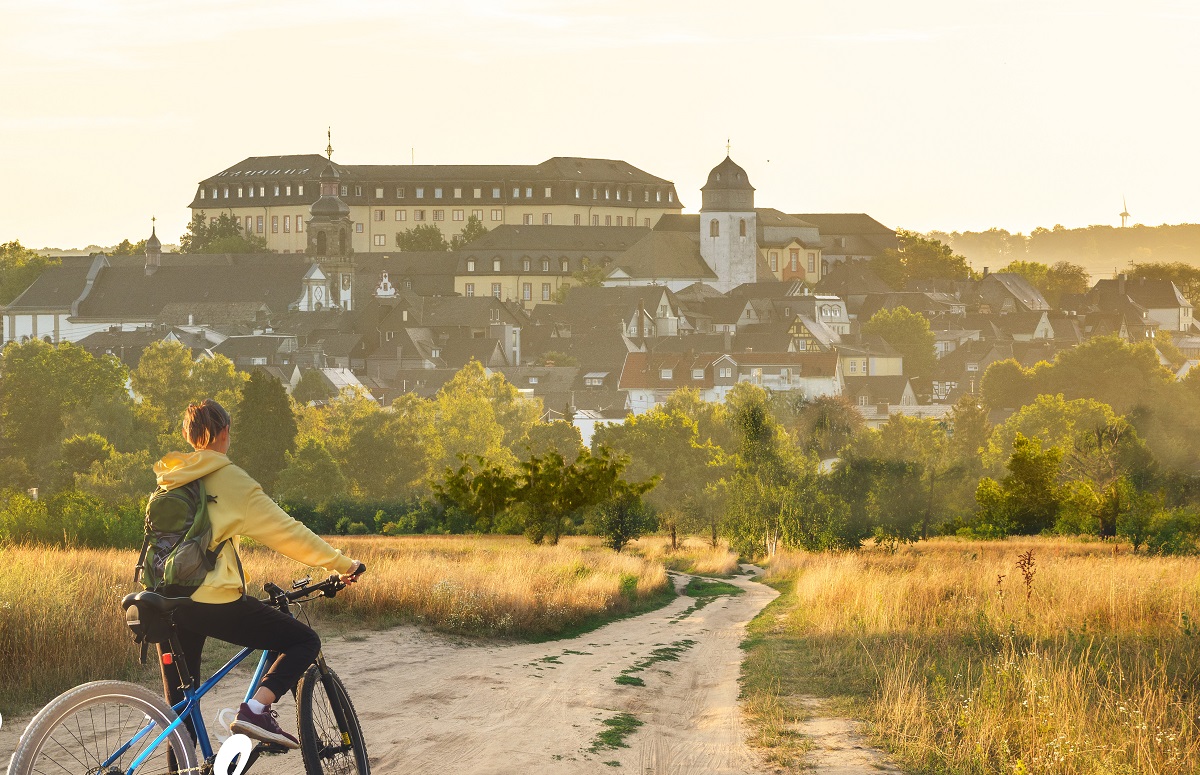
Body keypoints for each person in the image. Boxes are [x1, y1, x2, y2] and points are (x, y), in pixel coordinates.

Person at [152, 399, 365, 750]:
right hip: (211, 602)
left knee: (180, 718)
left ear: (190, 437)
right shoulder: (228, 478)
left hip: (166, 600)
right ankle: (255, 710)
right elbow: (288, 532)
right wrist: (343, 564)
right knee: (304, 641)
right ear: (224, 433)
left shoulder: (171, 480)